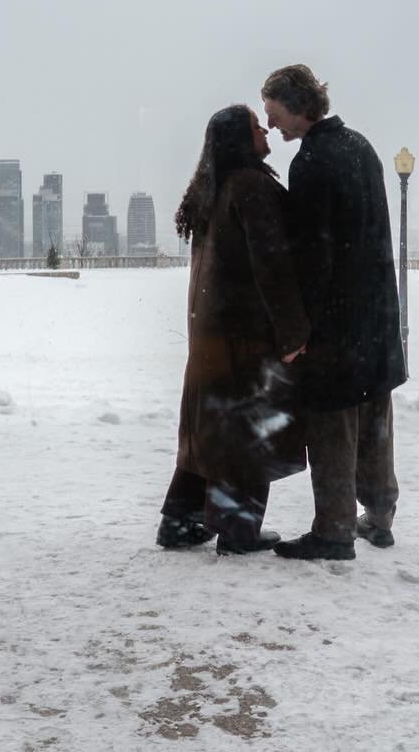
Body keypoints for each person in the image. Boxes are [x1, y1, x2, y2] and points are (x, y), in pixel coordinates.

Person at [261, 64, 406, 561]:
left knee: (332, 424)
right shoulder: (360, 146)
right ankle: (380, 515)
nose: (272, 123)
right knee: (375, 416)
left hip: (337, 320)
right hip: (377, 313)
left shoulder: (313, 161)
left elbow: (311, 256)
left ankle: (333, 531)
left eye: (274, 113)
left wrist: (300, 329)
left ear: (297, 105)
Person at [156, 105, 310, 555]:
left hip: (211, 336)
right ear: (240, 142)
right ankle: (239, 531)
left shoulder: (212, 190)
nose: (264, 130)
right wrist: (293, 333)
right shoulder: (250, 187)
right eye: (254, 127)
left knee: (211, 432)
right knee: (246, 433)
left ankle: (180, 523)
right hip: (245, 337)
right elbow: (273, 268)